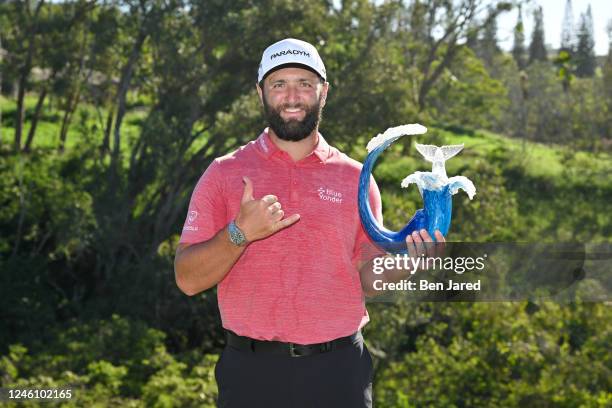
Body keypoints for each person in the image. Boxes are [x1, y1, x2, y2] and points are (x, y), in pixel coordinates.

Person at [174, 38, 444, 408]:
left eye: (304, 83)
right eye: (278, 84)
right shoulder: (224, 173)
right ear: (260, 93)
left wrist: (410, 262)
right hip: (250, 373)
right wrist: (240, 234)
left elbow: (368, 278)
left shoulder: (356, 178)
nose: (292, 96)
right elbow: (187, 279)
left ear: (324, 92)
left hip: (338, 373)